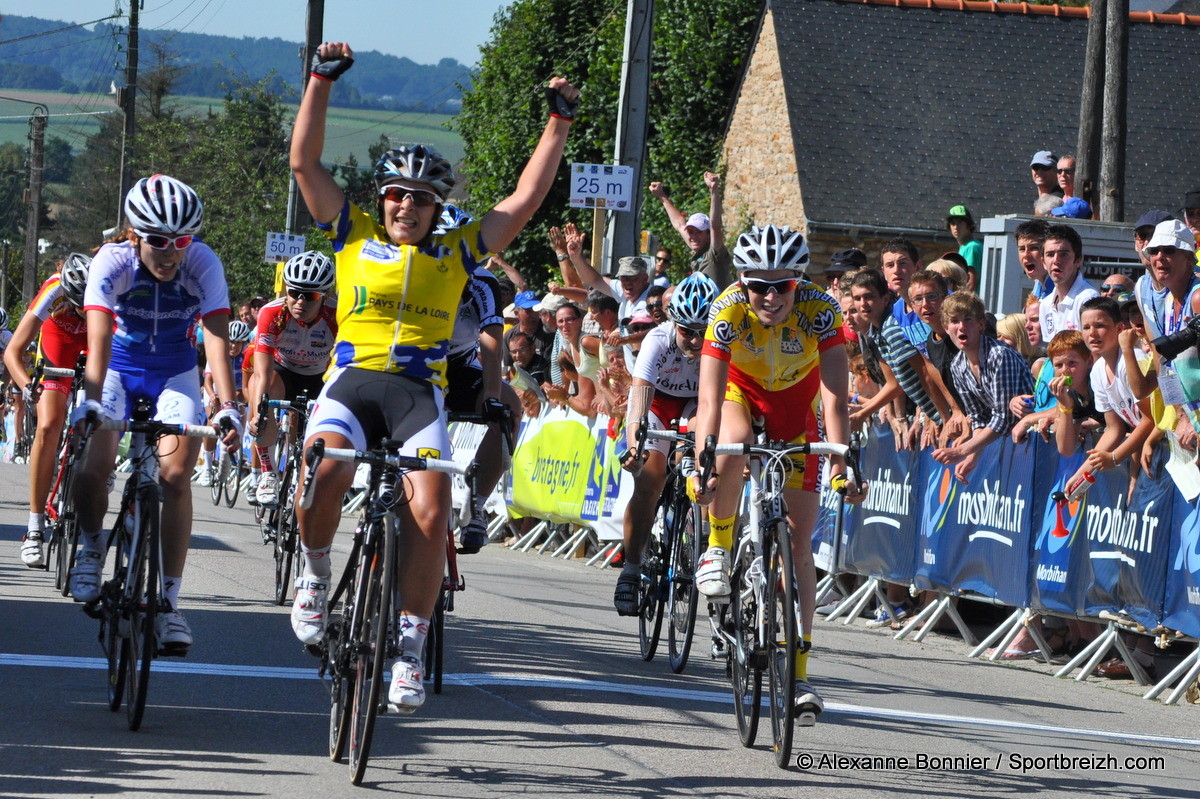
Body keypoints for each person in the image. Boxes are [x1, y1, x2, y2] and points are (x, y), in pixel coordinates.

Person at [287, 40, 578, 714]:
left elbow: (525, 201)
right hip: (353, 383)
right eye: (396, 195)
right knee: (326, 466)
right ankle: (314, 571)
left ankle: (410, 649)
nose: (405, 207)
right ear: (381, 198)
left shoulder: (457, 250)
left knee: (432, 505)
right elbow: (304, 161)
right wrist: (319, 81)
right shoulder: (351, 234)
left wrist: (557, 123)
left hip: (419, 394)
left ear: (435, 206)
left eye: (420, 199)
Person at [691, 224, 865, 724]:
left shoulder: (821, 309)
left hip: (797, 402)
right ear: (743, 283)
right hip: (740, 392)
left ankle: (801, 673)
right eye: (758, 286)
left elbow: (835, 393)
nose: (769, 296)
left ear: (798, 282)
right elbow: (708, 397)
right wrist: (705, 454)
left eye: (781, 285)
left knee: (799, 542)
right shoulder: (726, 310)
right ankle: (720, 547)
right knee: (732, 441)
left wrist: (839, 457)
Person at [68, 175, 243, 656]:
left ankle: (168, 603)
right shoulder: (113, 260)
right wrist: (91, 399)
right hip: (120, 372)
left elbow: (215, 340)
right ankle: (89, 545)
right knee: (96, 465)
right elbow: (98, 341)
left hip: (174, 374)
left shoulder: (203, 263)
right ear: (133, 235)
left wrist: (227, 407)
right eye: (159, 242)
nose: (170, 253)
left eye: (181, 242)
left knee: (175, 474)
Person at [612, 273, 717, 616]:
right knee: (650, 479)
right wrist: (635, 448)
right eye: (688, 331)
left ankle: (702, 542)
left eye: (704, 330)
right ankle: (630, 568)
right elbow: (639, 399)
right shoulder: (657, 340)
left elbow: (720, 404)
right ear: (674, 323)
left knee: (706, 458)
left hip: (696, 406)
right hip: (657, 405)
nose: (697, 340)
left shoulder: (719, 343)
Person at [6, 253, 90, 567]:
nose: (81, 309)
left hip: (93, 341)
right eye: (77, 303)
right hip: (59, 341)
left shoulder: (108, 290)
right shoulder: (54, 288)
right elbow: (13, 351)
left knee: (101, 409)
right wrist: (27, 385)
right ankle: (35, 526)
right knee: (48, 425)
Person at [247, 251, 338, 506]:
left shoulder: (337, 314)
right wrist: (258, 413)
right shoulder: (271, 314)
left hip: (320, 375)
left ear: (326, 296)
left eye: (310, 296)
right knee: (261, 394)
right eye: (293, 292)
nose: (299, 301)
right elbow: (261, 372)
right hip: (283, 373)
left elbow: (344, 367)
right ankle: (267, 472)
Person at [932, 293, 1033, 483]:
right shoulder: (957, 365)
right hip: (1013, 443)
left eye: (967, 320)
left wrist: (963, 450)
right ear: (946, 328)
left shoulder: (999, 355)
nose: (961, 327)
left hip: (1033, 437)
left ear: (980, 325)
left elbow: (1004, 417)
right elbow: (979, 417)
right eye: (954, 321)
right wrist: (972, 457)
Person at [648, 171, 732, 287]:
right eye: (691, 232)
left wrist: (714, 190)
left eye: (699, 232)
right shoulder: (697, 248)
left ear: (708, 234)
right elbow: (679, 224)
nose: (693, 237)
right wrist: (661, 195)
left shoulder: (714, 252)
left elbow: (715, 226)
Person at [1038, 223, 1098, 341]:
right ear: (1043, 262)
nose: (1056, 261)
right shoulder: (1045, 304)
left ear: (1078, 260)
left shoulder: (1088, 299)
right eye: (1050, 254)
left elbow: (1095, 352)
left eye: (1063, 254)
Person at [946, 205, 982, 272]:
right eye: (953, 223)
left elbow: (971, 281)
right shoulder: (965, 247)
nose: (956, 227)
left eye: (960, 222)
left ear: (969, 225)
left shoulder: (972, 247)